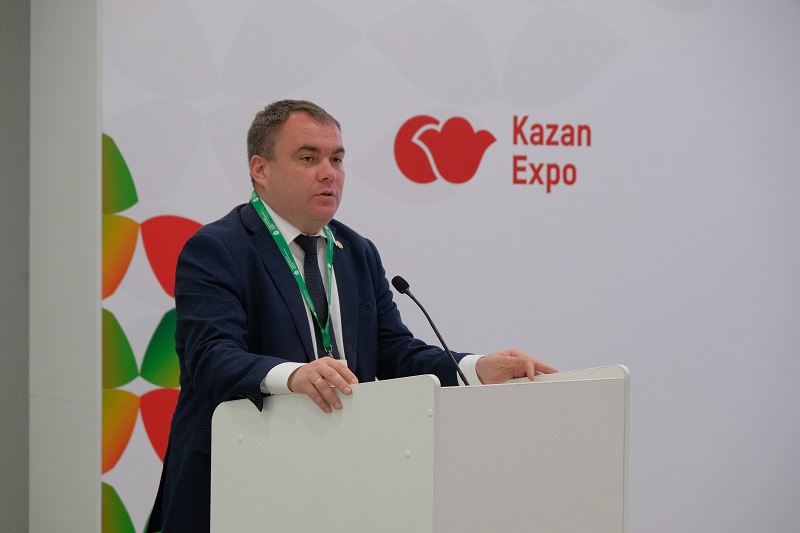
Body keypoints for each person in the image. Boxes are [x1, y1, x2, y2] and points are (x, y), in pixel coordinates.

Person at [146, 99, 557, 533]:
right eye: (309, 158)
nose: (329, 173)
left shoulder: (356, 251)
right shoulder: (217, 248)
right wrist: (294, 375)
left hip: (336, 479)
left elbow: (393, 351)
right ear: (260, 169)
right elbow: (211, 357)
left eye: (337, 159)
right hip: (235, 481)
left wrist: (474, 368)